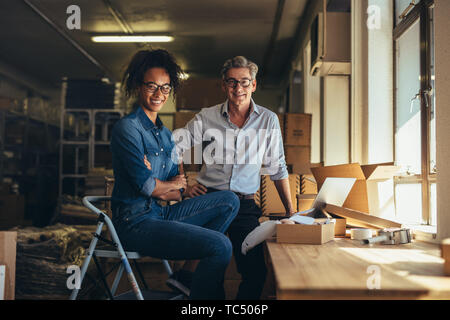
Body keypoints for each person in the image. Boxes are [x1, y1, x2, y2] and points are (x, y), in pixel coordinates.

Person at [110, 49, 240, 300]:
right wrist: (163, 184)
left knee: (229, 201)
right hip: (134, 223)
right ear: (138, 86)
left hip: (161, 213)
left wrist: (168, 184)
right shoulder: (128, 129)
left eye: (166, 88)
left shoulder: (166, 134)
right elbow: (147, 187)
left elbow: (176, 188)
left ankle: (186, 277)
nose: (159, 94)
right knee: (220, 245)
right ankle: (196, 297)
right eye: (152, 86)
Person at [173, 56, 295, 300]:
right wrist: (183, 184)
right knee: (211, 272)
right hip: (210, 200)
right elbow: (174, 144)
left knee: (255, 272)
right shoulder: (207, 116)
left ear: (254, 85)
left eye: (244, 82)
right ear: (223, 85)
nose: (238, 88)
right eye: (231, 82)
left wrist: (291, 211)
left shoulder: (268, 120)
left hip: (245, 203)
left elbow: (277, 167)